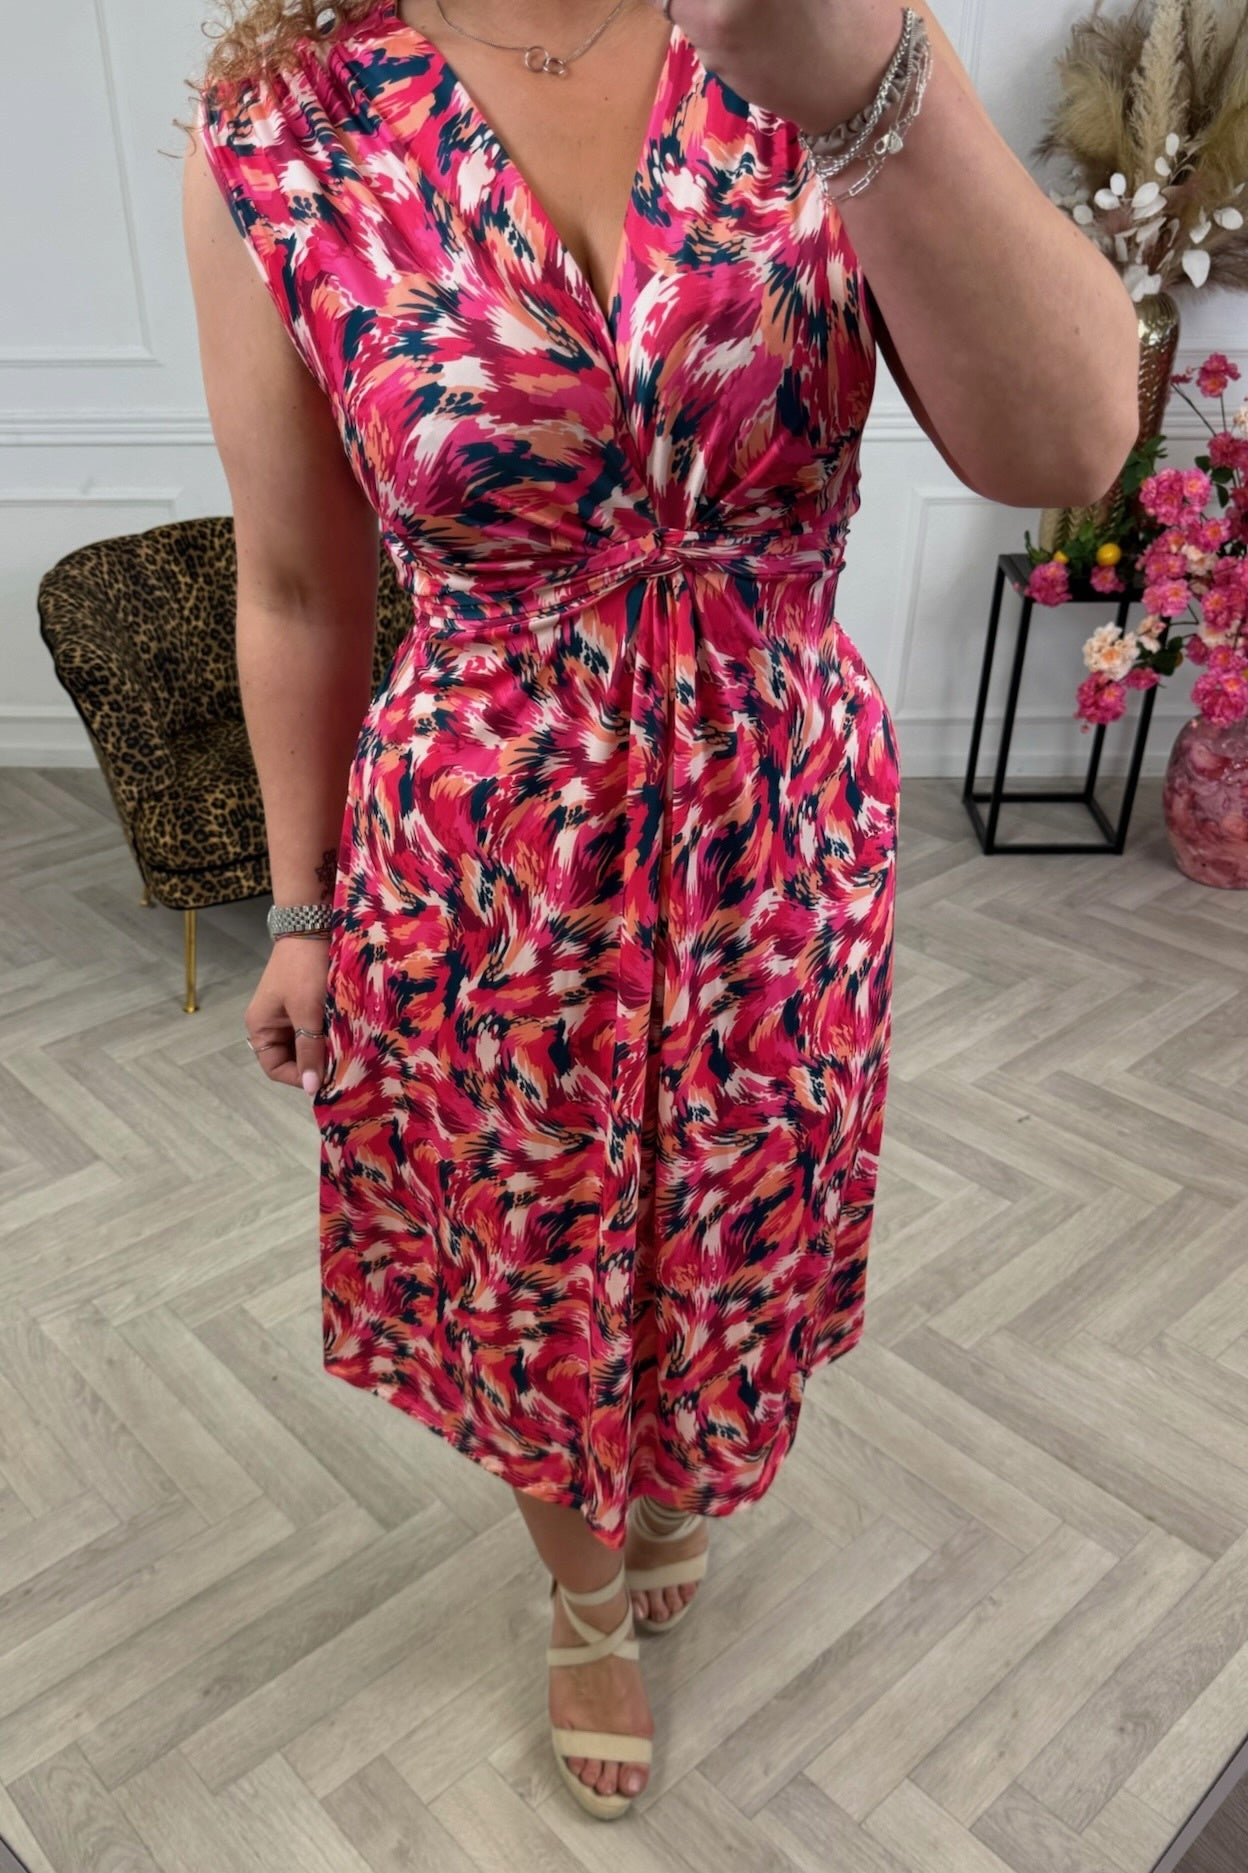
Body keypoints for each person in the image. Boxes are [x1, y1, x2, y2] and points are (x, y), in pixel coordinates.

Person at [182, 0, 1140, 1821]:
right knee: (525, 1262)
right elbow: (297, 584)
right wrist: (299, 911)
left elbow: (1076, 441)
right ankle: (582, 1590)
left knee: (730, 1240)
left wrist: (855, 74)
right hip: (488, 878)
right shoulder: (289, 128)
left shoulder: (813, 39)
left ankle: (676, 1470)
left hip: (773, 850)